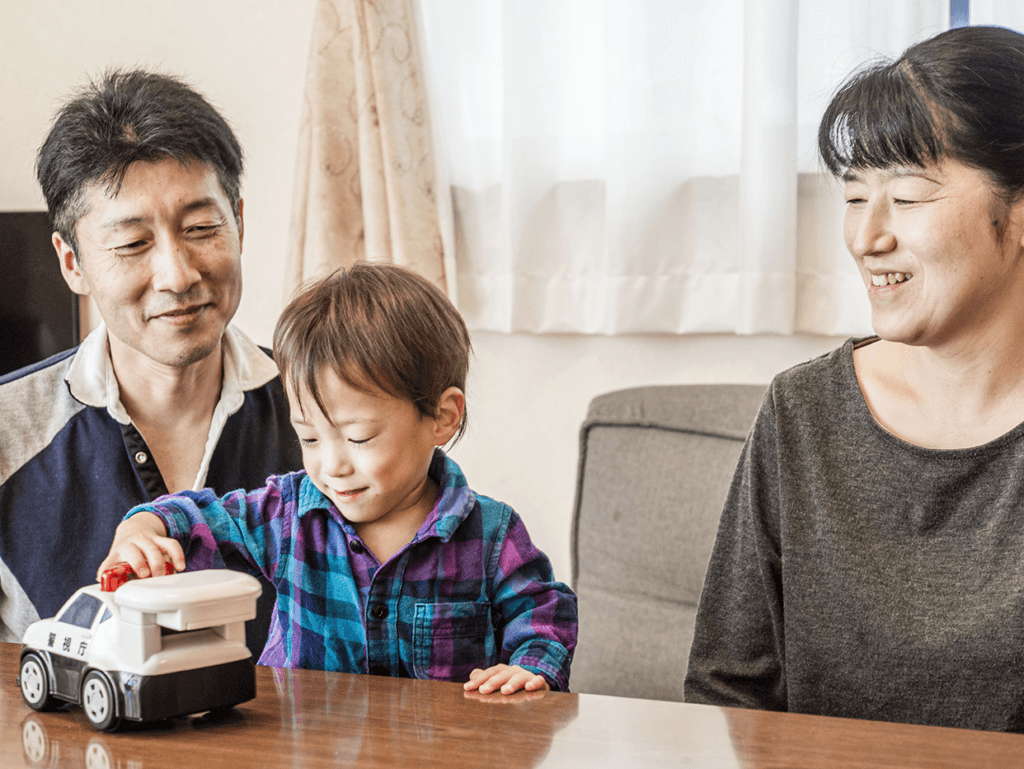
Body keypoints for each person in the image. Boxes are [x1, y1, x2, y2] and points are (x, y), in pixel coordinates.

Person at [684, 25, 1024, 732]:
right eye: (853, 196)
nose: (867, 238)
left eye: (908, 197)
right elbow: (727, 691)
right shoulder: (802, 410)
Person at [98, 262, 578, 694]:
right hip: (305, 749)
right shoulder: (287, 515)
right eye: (309, 439)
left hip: (439, 753)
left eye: (358, 438)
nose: (332, 465)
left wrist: (530, 667)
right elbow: (199, 515)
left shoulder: (492, 535)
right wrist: (143, 527)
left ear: (442, 417)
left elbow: (544, 614)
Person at [0, 70, 301, 648]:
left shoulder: (331, 411)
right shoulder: (9, 434)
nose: (177, 275)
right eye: (132, 244)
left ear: (240, 223)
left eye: (202, 228)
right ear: (72, 262)